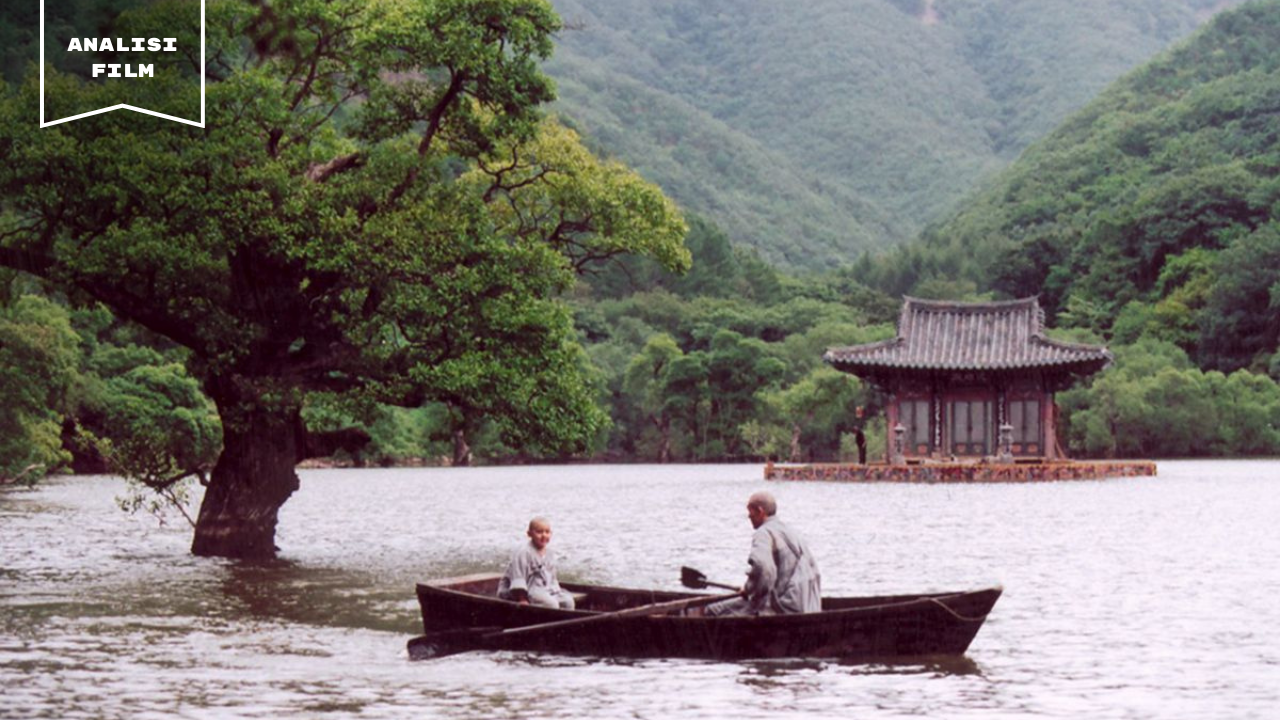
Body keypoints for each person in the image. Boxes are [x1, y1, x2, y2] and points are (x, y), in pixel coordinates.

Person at [705, 491, 821, 616]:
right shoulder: (790, 531)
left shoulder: (763, 533)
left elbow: (763, 569)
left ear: (760, 511)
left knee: (711, 610)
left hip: (783, 607)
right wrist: (750, 588)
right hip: (807, 605)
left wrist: (750, 590)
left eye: (750, 512)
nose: (748, 516)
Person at [497, 517, 575, 610]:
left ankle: (565, 622)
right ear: (529, 534)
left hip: (544, 587)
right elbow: (518, 577)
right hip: (527, 589)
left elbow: (552, 577)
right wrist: (522, 599)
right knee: (551, 604)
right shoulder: (523, 552)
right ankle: (545, 619)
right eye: (539, 532)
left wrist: (555, 590)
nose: (544, 535)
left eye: (547, 532)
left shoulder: (549, 553)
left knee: (568, 602)